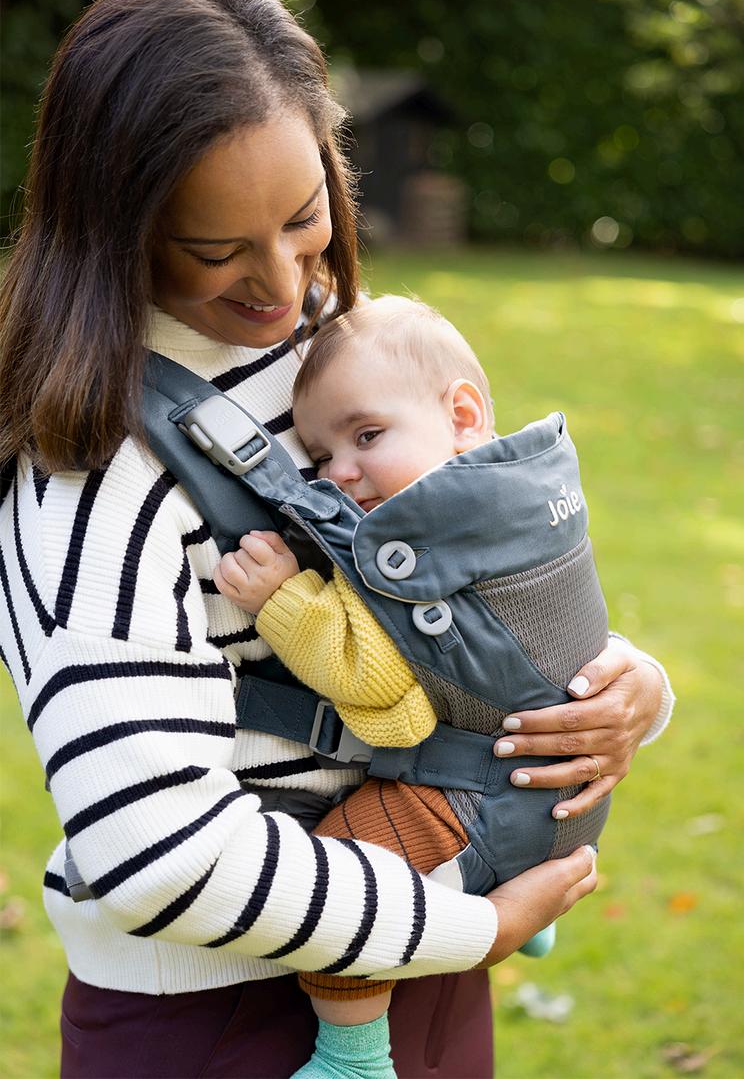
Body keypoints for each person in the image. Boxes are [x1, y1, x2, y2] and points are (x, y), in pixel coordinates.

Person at [0, 0, 673, 1079]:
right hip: (224, 1017)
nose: (281, 286)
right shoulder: (86, 469)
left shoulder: (333, 343)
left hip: (425, 942)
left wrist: (625, 689)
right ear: (115, 228)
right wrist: (466, 928)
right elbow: (152, 849)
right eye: (216, 251)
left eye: (304, 218)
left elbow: (463, 575)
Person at [214, 293, 605, 1079]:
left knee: (338, 885)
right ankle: (517, 889)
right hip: (569, 807)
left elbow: (389, 704)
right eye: (320, 455)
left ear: (462, 414)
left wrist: (285, 600)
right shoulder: (525, 491)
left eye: (366, 436)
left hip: (480, 806)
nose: (340, 472)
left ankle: (354, 1057)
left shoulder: (419, 544)